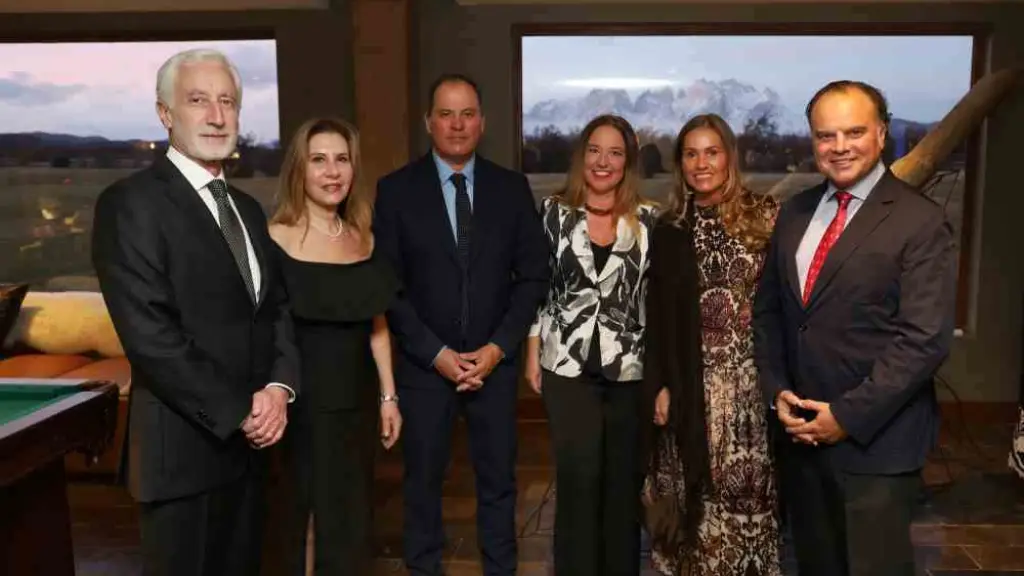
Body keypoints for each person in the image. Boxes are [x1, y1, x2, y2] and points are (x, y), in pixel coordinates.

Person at [91, 48, 299, 576]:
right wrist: (242, 411)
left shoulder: (248, 210)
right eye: (198, 100)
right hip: (184, 458)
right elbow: (151, 337)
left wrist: (279, 390)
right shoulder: (131, 203)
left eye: (227, 101)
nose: (216, 115)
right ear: (165, 114)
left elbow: (275, 312)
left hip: (255, 456)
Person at [753, 80, 957, 576]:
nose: (839, 147)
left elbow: (923, 340)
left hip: (876, 445)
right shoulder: (796, 213)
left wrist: (845, 415)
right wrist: (778, 390)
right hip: (801, 440)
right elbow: (771, 313)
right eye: (826, 135)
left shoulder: (919, 221)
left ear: (882, 133)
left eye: (854, 132)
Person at [373, 73, 550, 576]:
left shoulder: (511, 189)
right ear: (429, 122)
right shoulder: (396, 192)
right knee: (422, 484)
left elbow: (534, 275)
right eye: (446, 114)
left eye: (467, 113)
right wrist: (436, 354)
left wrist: (497, 348)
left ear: (482, 122)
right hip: (425, 369)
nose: (457, 124)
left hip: (494, 368)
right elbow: (388, 287)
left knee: (498, 485)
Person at [641, 113, 782, 576]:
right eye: (691, 153)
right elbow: (657, 320)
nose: (702, 163)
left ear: (729, 157)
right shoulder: (669, 230)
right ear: (680, 163)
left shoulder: (766, 217)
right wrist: (659, 386)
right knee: (691, 521)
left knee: (747, 511)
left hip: (749, 395)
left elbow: (785, 307)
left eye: (712, 152)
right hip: (687, 391)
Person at [526, 114, 659, 576]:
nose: (603, 162)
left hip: (629, 372)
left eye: (615, 153)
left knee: (622, 486)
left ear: (628, 163)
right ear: (581, 156)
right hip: (566, 368)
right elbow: (536, 289)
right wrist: (532, 353)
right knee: (579, 482)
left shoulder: (648, 222)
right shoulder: (551, 214)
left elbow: (653, 302)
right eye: (595, 151)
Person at [269, 117, 402, 575]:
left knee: (350, 518)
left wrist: (388, 396)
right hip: (298, 407)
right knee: (297, 518)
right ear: (298, 170)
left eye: (341, 160)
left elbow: (377, 324)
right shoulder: (273, 239)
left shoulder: (362, 238)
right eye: (319, 160)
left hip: (356, 404)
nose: (332, 172)